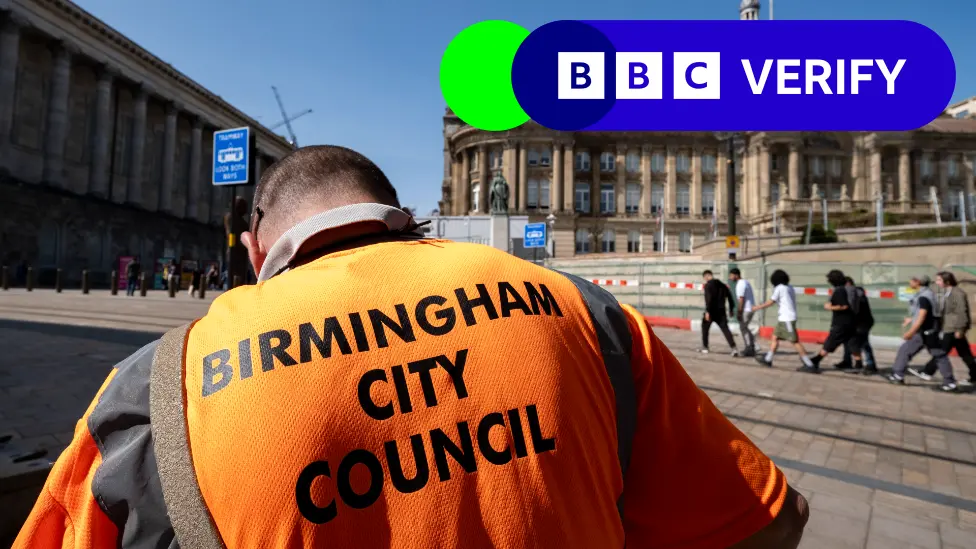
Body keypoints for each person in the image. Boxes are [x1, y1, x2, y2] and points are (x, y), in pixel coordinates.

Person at [14, 146, 808, 549]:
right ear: (401, 213)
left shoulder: (153, 389)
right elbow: (766, 518)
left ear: (256, 251)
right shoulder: (580, 310)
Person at [887, 275, 957, 391]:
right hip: (930, 330)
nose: (909, 283)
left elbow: (923, 315)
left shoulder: (923, 296)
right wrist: (910, 320)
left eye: (911, 280)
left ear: (917, 282)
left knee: (905, 351)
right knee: (939, 355)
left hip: (924, 332)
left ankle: (897, 375)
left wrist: (911, 331)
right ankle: (950, 382)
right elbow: (925, 313)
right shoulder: (928, 294)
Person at [910, 272, 975, 387]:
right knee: (965, 354)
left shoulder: (957, 293)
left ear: (947, 281)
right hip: (948, 327)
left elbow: (961, 312)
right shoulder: (946, 292)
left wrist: (960, 329)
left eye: (939, 280)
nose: (937, 282)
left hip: (953, 328)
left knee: (941, 351)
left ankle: (927, 371)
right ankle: (975, 376)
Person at [751, 269, 815, 368]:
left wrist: (756, 307)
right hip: (784, 318)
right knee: (774, 337)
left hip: (787, 319)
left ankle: (809, 364)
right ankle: (768, 359)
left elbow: (771, 302)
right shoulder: (789, 287)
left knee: (794, 341)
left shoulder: (780, 288)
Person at [804, 270, 859, 374]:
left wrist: (830, 307)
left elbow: (844, 306)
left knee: (830, 343)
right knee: (850, 343)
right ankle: (858, 363)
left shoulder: (839, 291)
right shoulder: (843, 289)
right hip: (849, 322)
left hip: (841, 323)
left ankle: (816, 361)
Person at [834, 277, 877, 375]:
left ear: (848, 284)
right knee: (847, 341)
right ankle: (847, 361)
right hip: (855, 322)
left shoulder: (857, 293)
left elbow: (851, 307)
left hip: (862, 322)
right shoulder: (853, 292)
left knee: (863, 343)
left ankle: (870, 365)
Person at [700, 269, 740, 356]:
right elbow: (730, 297)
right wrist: (731, 309)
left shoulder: (708, 286)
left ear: (706, 276)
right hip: (721, 311)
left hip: (712, 311)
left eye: (705, 277)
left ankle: (705, 347)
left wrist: (707, 311)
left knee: (705, 327)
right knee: (725, 329)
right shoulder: (723, 285)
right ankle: (734, 348)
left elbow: (708, 299)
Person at [730, 268, 758, 357]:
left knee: (743, 328)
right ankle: (753, 346)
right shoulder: (745, 282)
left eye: (731, 275)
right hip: (750, 309)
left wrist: (739, 312)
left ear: (736, 275)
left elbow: (741, 299)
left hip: (746, 309)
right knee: (744, 327)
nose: (730, 277)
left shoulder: (740, 284)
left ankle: (750, 347)